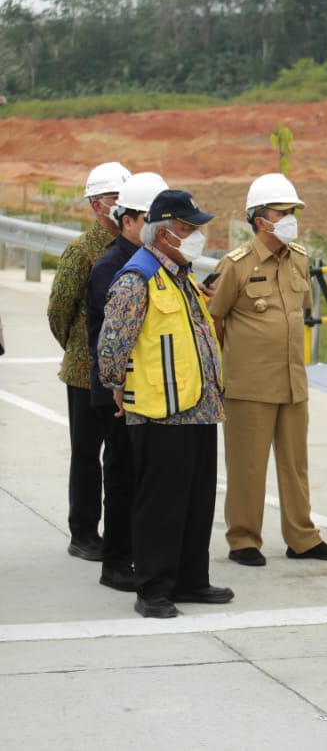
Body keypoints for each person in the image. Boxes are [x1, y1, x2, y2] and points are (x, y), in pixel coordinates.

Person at [97, 189, 234, 618]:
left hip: (200, 406)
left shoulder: (181, 275)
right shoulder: (136, 278)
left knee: (196, 500)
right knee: (160, 503)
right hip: (162, 411)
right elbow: (113, 344)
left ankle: (191, 580)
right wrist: (115, 383)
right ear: (162, 233)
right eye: (187, 228)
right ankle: (153, 588)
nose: (196, 235)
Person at [210, 173, 327, 566]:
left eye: (293, 212)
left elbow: (295, 316)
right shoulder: (235, 265)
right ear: (259, 219)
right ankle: (243, 540)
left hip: (292, 383)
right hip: (249, 386)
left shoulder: (299, 259)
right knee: (247, 468)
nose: (290, 218)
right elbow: (214, 321)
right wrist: (225, 371)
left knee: (295, 466)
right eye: (282, 212)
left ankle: (302, 537)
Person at [85, 171, 169, 592]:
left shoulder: (155, 261)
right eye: (152, 219)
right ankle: (116, 562)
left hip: (148, 392)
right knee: (120, 478)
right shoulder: (112, 266)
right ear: (129, 220)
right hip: (118, 394)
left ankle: (138, 554)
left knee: (143, 479)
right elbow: (110, 339)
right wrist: (114, 385)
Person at [47, 161, 130, 562]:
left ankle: (117, 529)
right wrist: (78, 349)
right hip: (84, 373)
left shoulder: (133, 248)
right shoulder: (82, 251)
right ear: (97, 206)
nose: (122, 205)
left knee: (119, 453)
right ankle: (82, 532)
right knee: (86, 454)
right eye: (116, 198)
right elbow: (59, 310)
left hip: (124, 375)